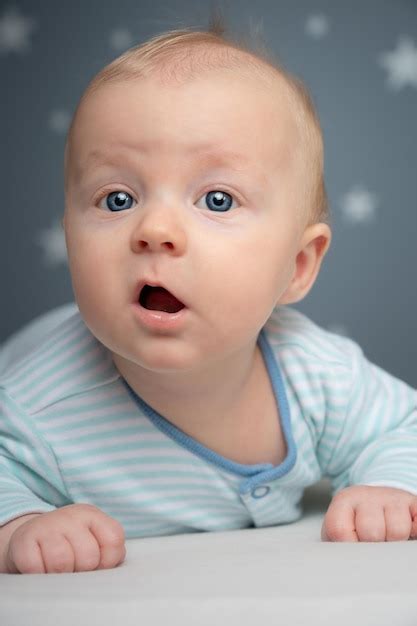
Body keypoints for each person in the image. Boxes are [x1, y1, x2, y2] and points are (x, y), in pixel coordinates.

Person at [1, 20, 416, 576]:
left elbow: (402, 428)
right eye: (117, 198)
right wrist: (19, 524)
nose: (155, 228)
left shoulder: (316, 375)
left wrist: (387, 485)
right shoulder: (36, 408)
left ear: (297, 266)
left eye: (217, 199)